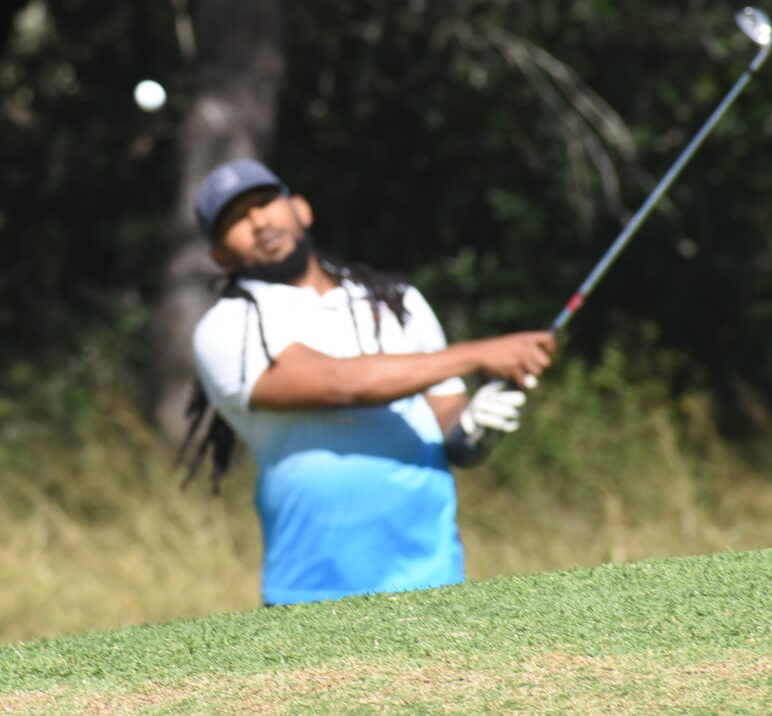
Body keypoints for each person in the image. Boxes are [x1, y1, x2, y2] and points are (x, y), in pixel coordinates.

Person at [182, 158, 556, 606]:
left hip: (431, 575)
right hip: (310, 591)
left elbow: (447, 422)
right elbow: (340, 384)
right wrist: (478, 354)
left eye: (265, 203)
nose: (259, 221)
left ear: (301, 209)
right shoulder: (227, 326)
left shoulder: (399, 303)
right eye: (236, 219)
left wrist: (472, 425)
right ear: (219, 255)